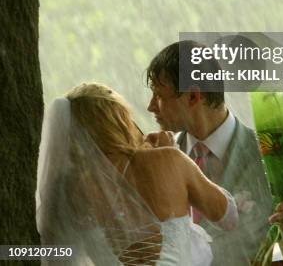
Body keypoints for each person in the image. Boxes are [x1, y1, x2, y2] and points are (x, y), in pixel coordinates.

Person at [146, 41, 283, 265]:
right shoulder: (156, 158)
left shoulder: (269, 158)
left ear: (193, 96)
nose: (151, 106)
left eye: (159, 96)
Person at [36, 83, 238, 265]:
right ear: (119, 120)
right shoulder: (170, 159)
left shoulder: (69, 190)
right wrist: (173, 155)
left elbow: (58, 255)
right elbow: (228, 217)